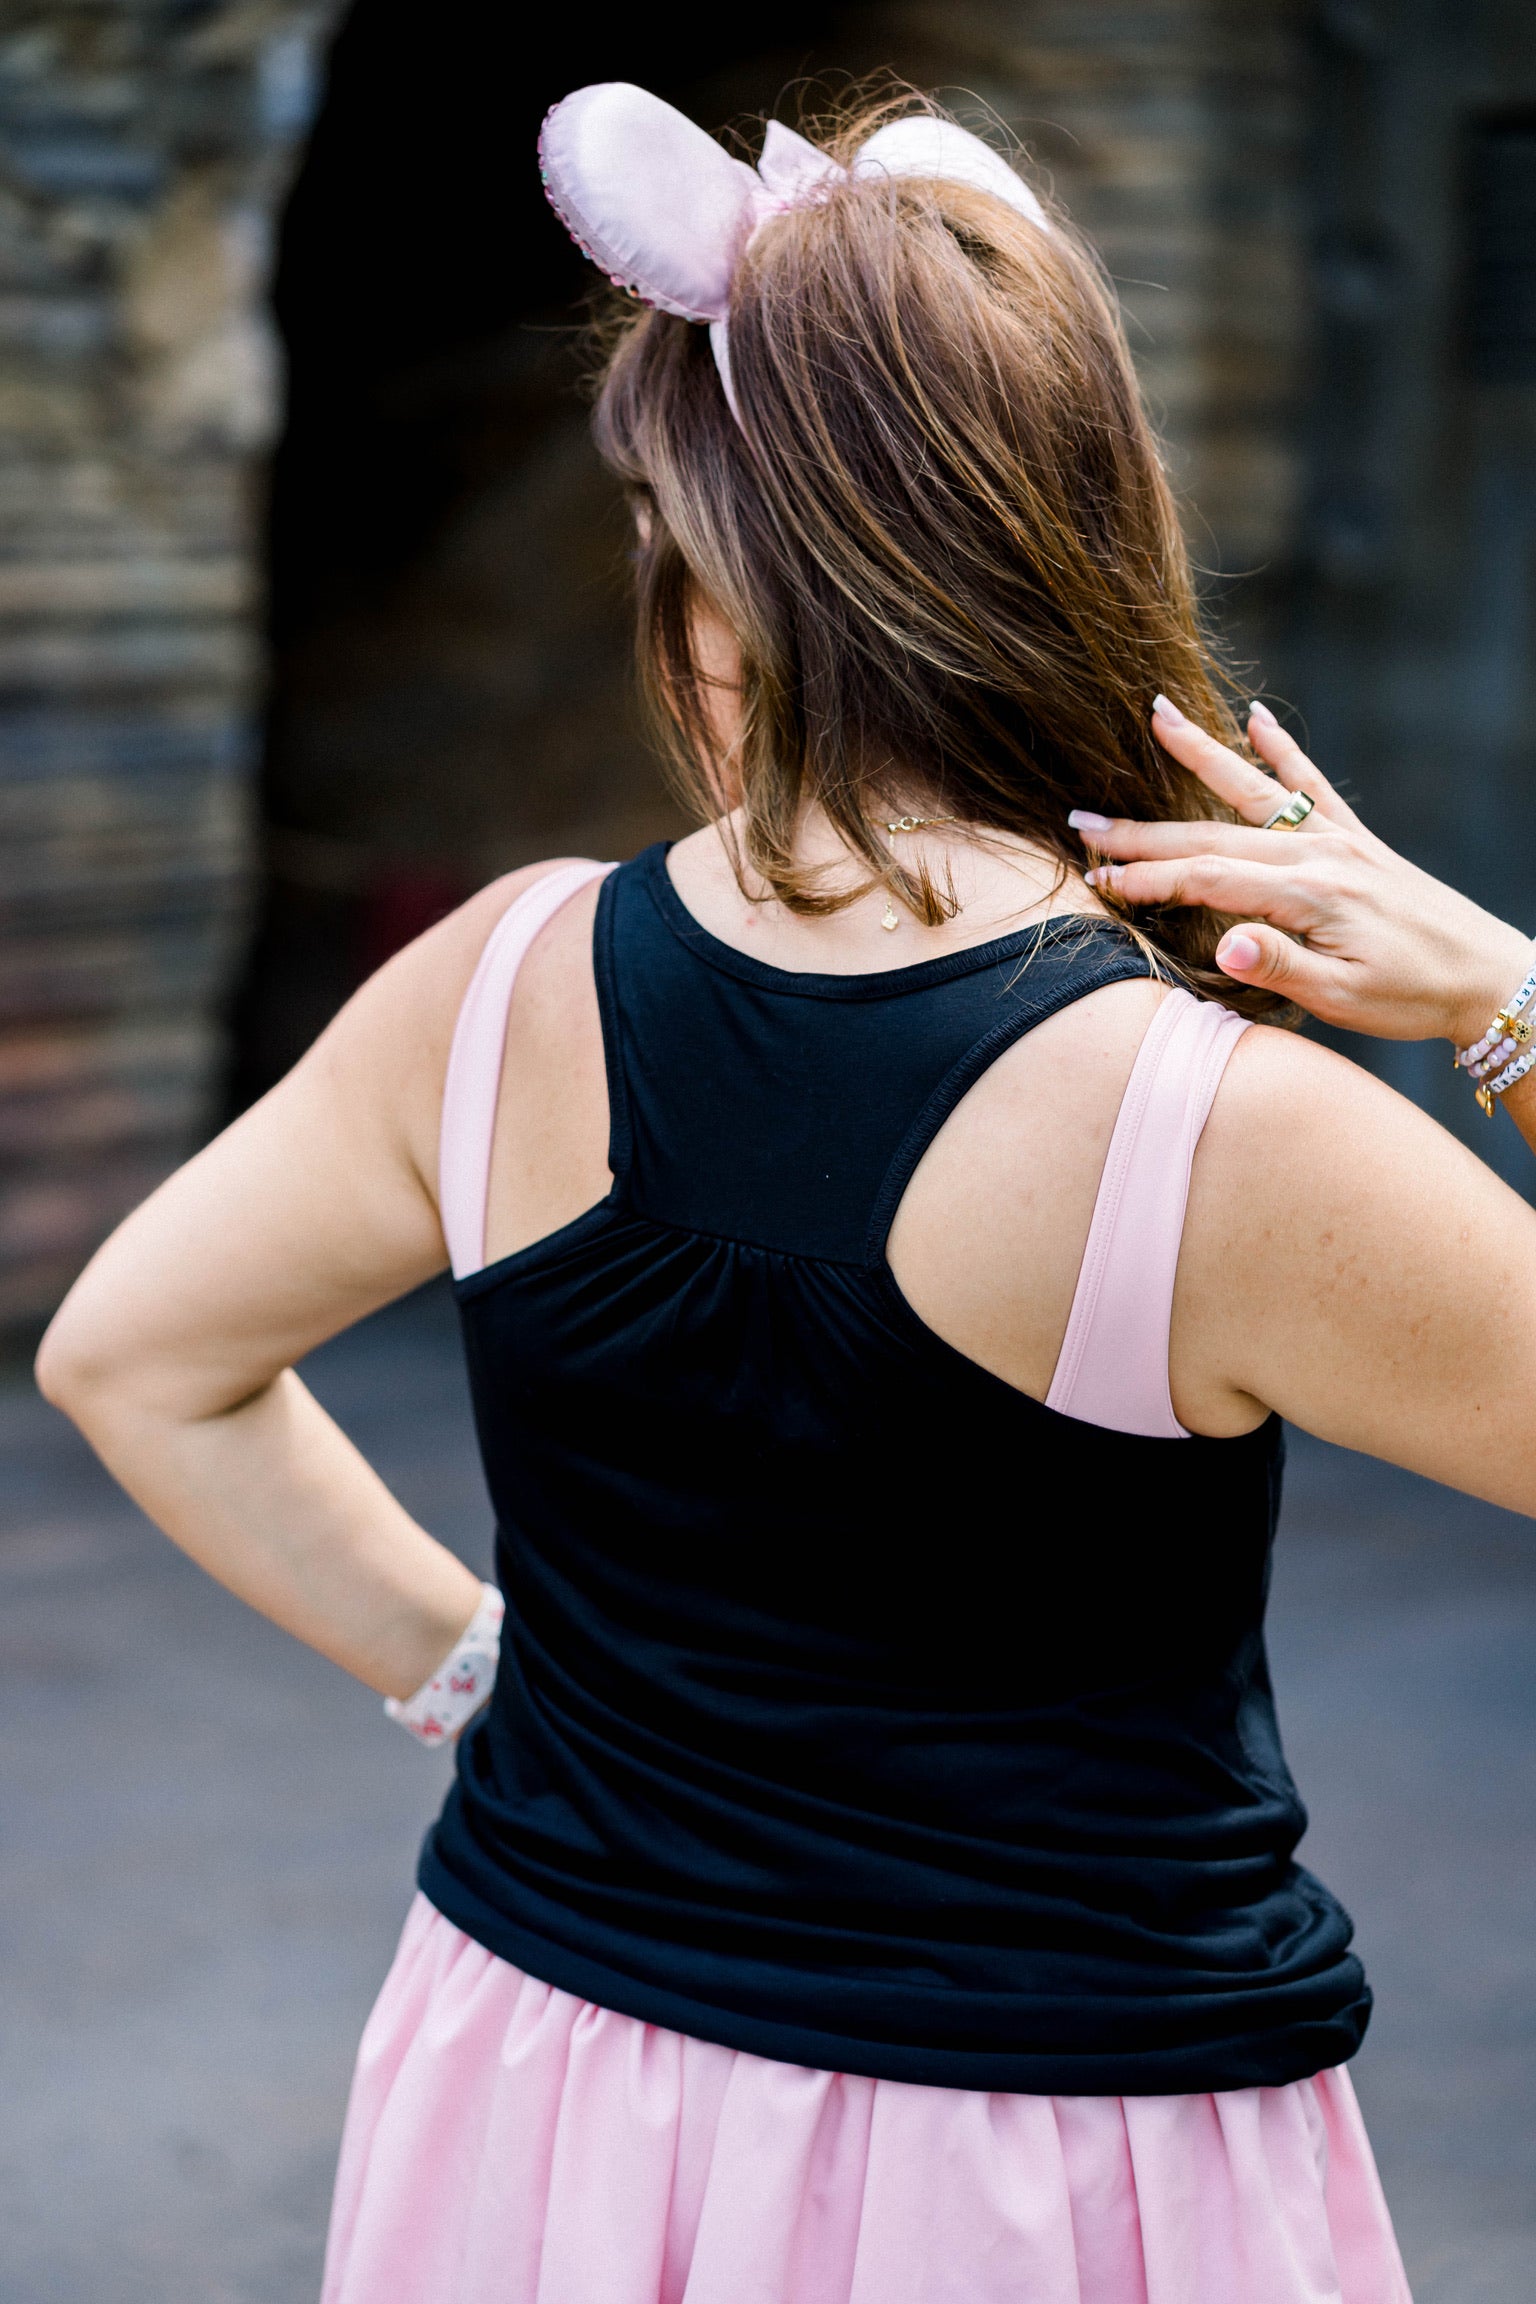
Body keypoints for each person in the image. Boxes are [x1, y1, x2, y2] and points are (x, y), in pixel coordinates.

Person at [34, 81, 1536, 2304]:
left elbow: (132, 1356)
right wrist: (1513, 998)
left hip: (533, 2090)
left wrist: (477, 1677)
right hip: (1041, 2171)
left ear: (725, 595)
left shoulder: (495, 980)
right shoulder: (1206, 1134)